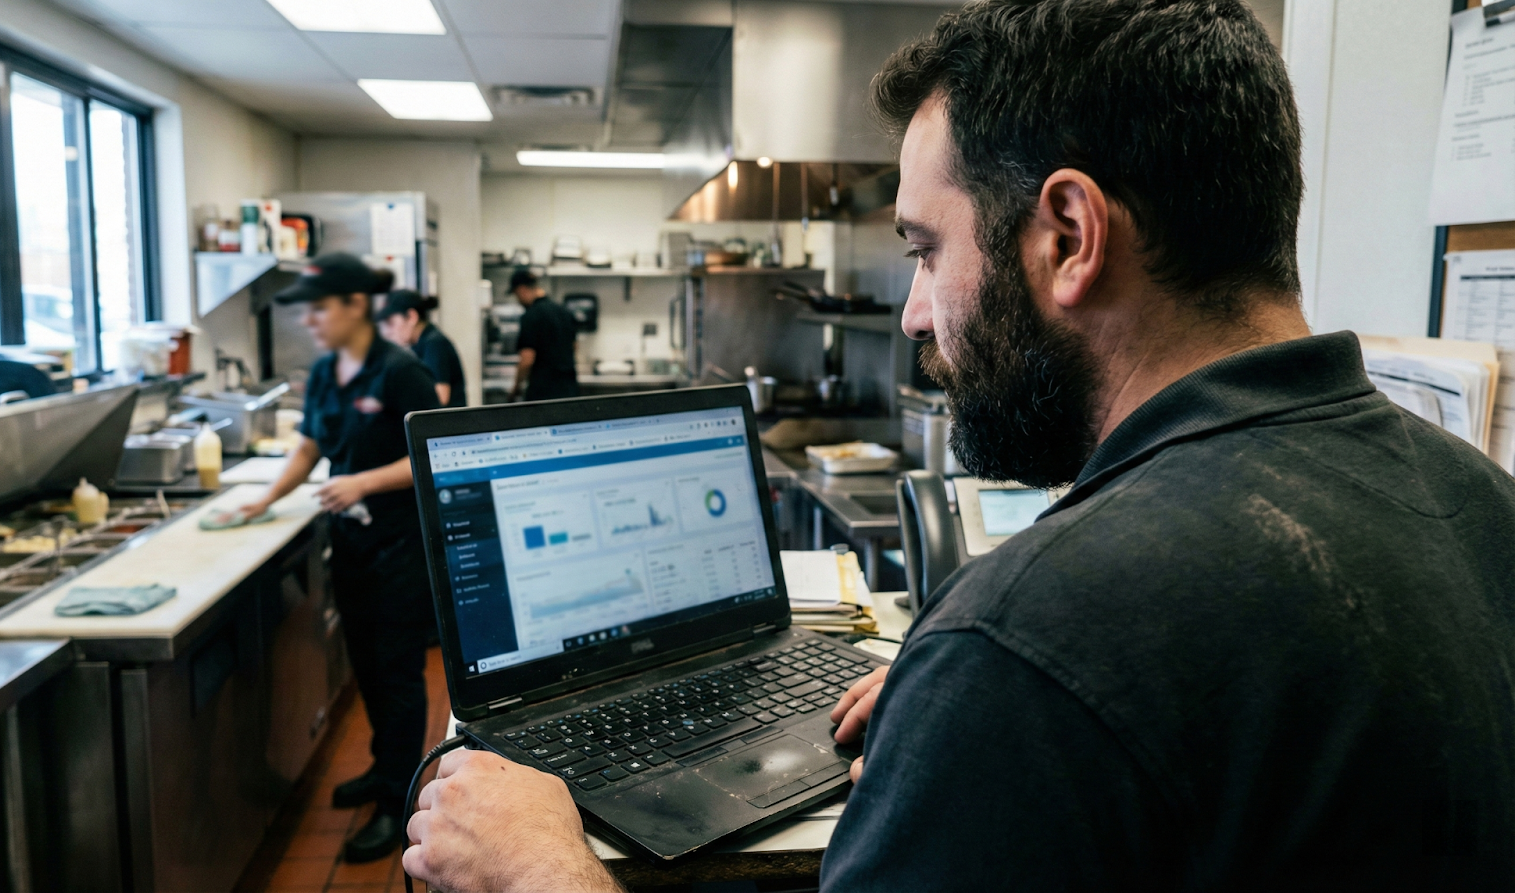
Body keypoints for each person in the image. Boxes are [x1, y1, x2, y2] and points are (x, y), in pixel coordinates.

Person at [400, 2, 1515, 891]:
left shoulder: (1030, 637)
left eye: (927, 250)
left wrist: (541, 868)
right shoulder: (1475, 499)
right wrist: (971, 710)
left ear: (1068, 235)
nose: (913, 314)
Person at [239, 253, 441, 864]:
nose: (309, 320)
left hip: (400, 551)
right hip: (351, 549)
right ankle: (384, 770)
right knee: (367, 669)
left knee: (397, 676)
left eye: (319, 308)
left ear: (356, 305)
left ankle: (400, 801)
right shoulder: (328, 371)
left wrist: (362, 482)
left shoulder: (402, 371)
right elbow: (308, 445)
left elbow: (430, 454)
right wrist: (265, 498)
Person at [376, 288, 467, 407]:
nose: (388, 332)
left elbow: (440, 398)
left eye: (391, 323)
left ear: (411, 317)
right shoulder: (420, 344)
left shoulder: (434, 343)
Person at [507, 268, 579, 401]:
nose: (518, 300)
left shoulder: (531, 316)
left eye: (516, 295)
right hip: (569, 390)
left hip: (543, 393)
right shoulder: (564, 312)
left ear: (521, 289)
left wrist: (516, 387)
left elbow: (527, 359)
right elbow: (574, 346)